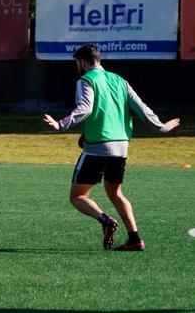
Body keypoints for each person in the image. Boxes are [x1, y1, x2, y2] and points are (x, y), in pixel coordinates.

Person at [43, 43, 180, 251]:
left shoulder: (86, 80)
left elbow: (85, 108)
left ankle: (105, 220)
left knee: (78, 196)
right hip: (121, 148)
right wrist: (161, 127)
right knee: (115, 192)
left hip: (98, 147)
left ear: (81, 62)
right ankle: (135, 239)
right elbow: (142, 109)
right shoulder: (120, 81)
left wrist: (60, 124)